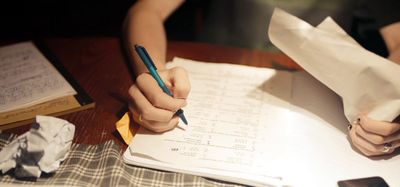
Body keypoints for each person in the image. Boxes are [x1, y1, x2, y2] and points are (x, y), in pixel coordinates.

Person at [123, 0, 400, 156]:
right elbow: (146, 10)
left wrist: (389, 103)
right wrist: (153, 72)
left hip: (319, 94)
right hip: (216, 75)